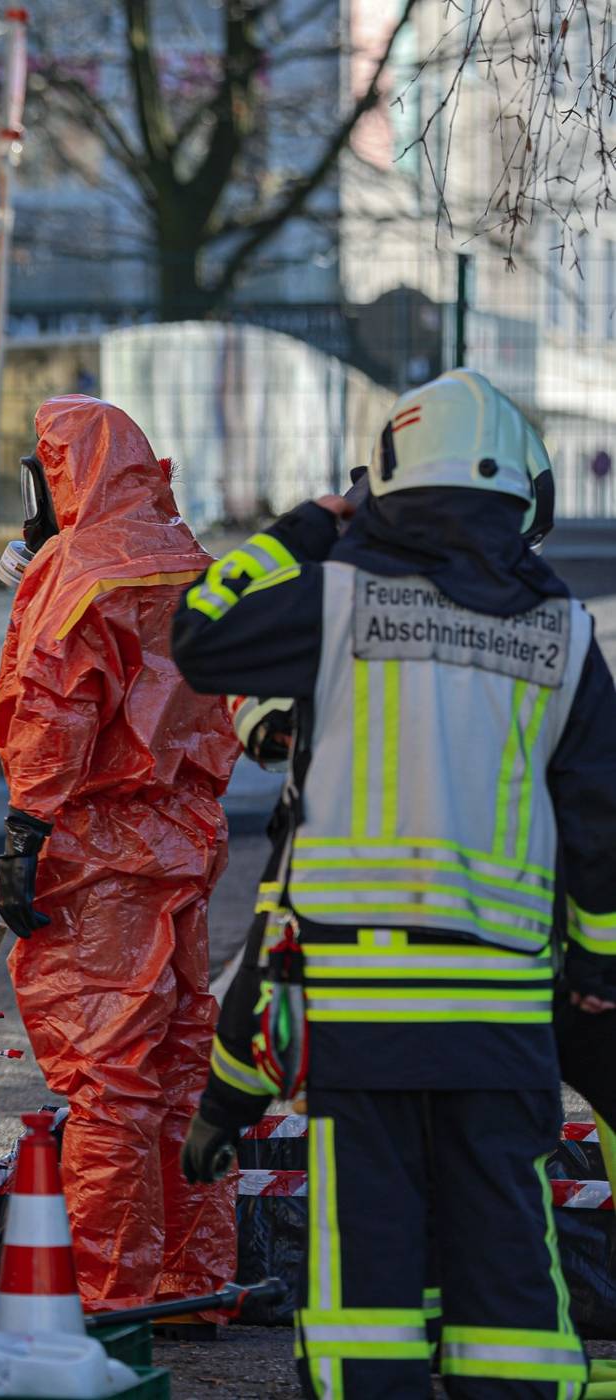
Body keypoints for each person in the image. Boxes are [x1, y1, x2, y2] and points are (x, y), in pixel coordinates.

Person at [174, 369, 612, 1398]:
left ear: (384, 491)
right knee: (507, 1263)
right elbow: (602, 826)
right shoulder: (565, 634)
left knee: (365, 1269)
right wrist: (595, 961)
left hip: (360, 1013)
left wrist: (304, 528)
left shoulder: (337, 599)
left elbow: (201, 632)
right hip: (504, 1018)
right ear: (525, 498)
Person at [0, 395, 240, 1311]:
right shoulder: (188, 557)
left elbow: (55, 708)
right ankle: (194, 1278)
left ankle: (107, 1290)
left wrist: (28, 828)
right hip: (183, 839)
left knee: (108, 1077)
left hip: (98, 846)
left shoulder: (77, 569)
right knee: (179, 1063)